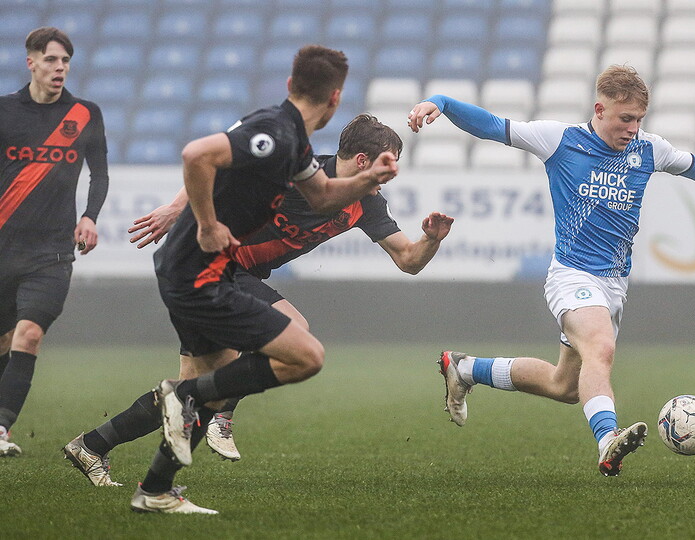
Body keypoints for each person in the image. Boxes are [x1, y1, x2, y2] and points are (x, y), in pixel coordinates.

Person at [407, 64, 695, 477]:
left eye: (639, 119)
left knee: (564, 386)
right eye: (625, 119)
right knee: (601, 349)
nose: (632, 128)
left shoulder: (648, 148)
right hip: (573, 275)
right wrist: (440, 103)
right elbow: (494, 126)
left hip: (614, 284)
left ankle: (464, 368)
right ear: (599, 109)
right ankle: (607, 440)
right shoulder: (560, 140)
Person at [63, 114, 452, 485]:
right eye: (388, 164)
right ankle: (214, 425)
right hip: (215, 267)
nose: (387, 178)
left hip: (238, 276)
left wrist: (430, 240)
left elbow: (408, 261)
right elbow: (216, 167)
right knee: (292, 335)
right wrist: (176, 207)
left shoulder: (365, 201)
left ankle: (94, 446)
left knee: (190, 392)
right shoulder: (300, 173)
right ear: (363, 160)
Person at [122, 45, 397, 514]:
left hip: (201, 271)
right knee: (303, 354)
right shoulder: (274, 132)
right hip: (200, 272)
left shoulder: (295, 143)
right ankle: (178, 399)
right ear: (335, 99)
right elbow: (197, 154)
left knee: (216, 375)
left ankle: (153, 488)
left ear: (291, 85)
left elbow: (325, 196)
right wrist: (205, 224)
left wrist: (367, 180)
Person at [0, 27, 109, 457]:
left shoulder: (85, 113)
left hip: (52, 252)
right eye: (51, 60)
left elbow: (99, 173)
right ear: (31, 62)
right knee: (5, 339)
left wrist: (89, 216)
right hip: (4, 246)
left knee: (28, 335)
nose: (59, 68)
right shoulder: (6, 112)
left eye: (65, 61)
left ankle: (1, 429)